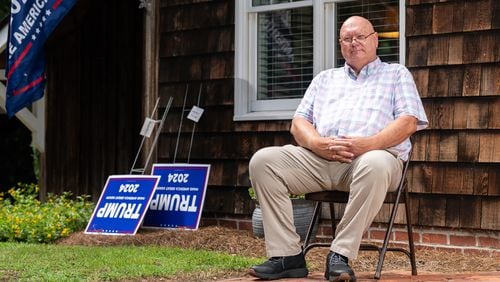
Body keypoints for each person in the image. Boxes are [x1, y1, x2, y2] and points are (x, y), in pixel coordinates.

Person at [248, 16, 428, 281]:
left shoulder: (395, 74)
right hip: (320, 160)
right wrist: (316, 143)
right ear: (340, 44)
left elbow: (408, 122)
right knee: (264, 161)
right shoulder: (325, 79)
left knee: (376, 163)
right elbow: (299, 123)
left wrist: (368, 144)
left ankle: (339, 255)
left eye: (360, 37)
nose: (353, 43)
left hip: (371, 161)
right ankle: (287, 256)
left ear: (375, 39)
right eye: (347, 38)